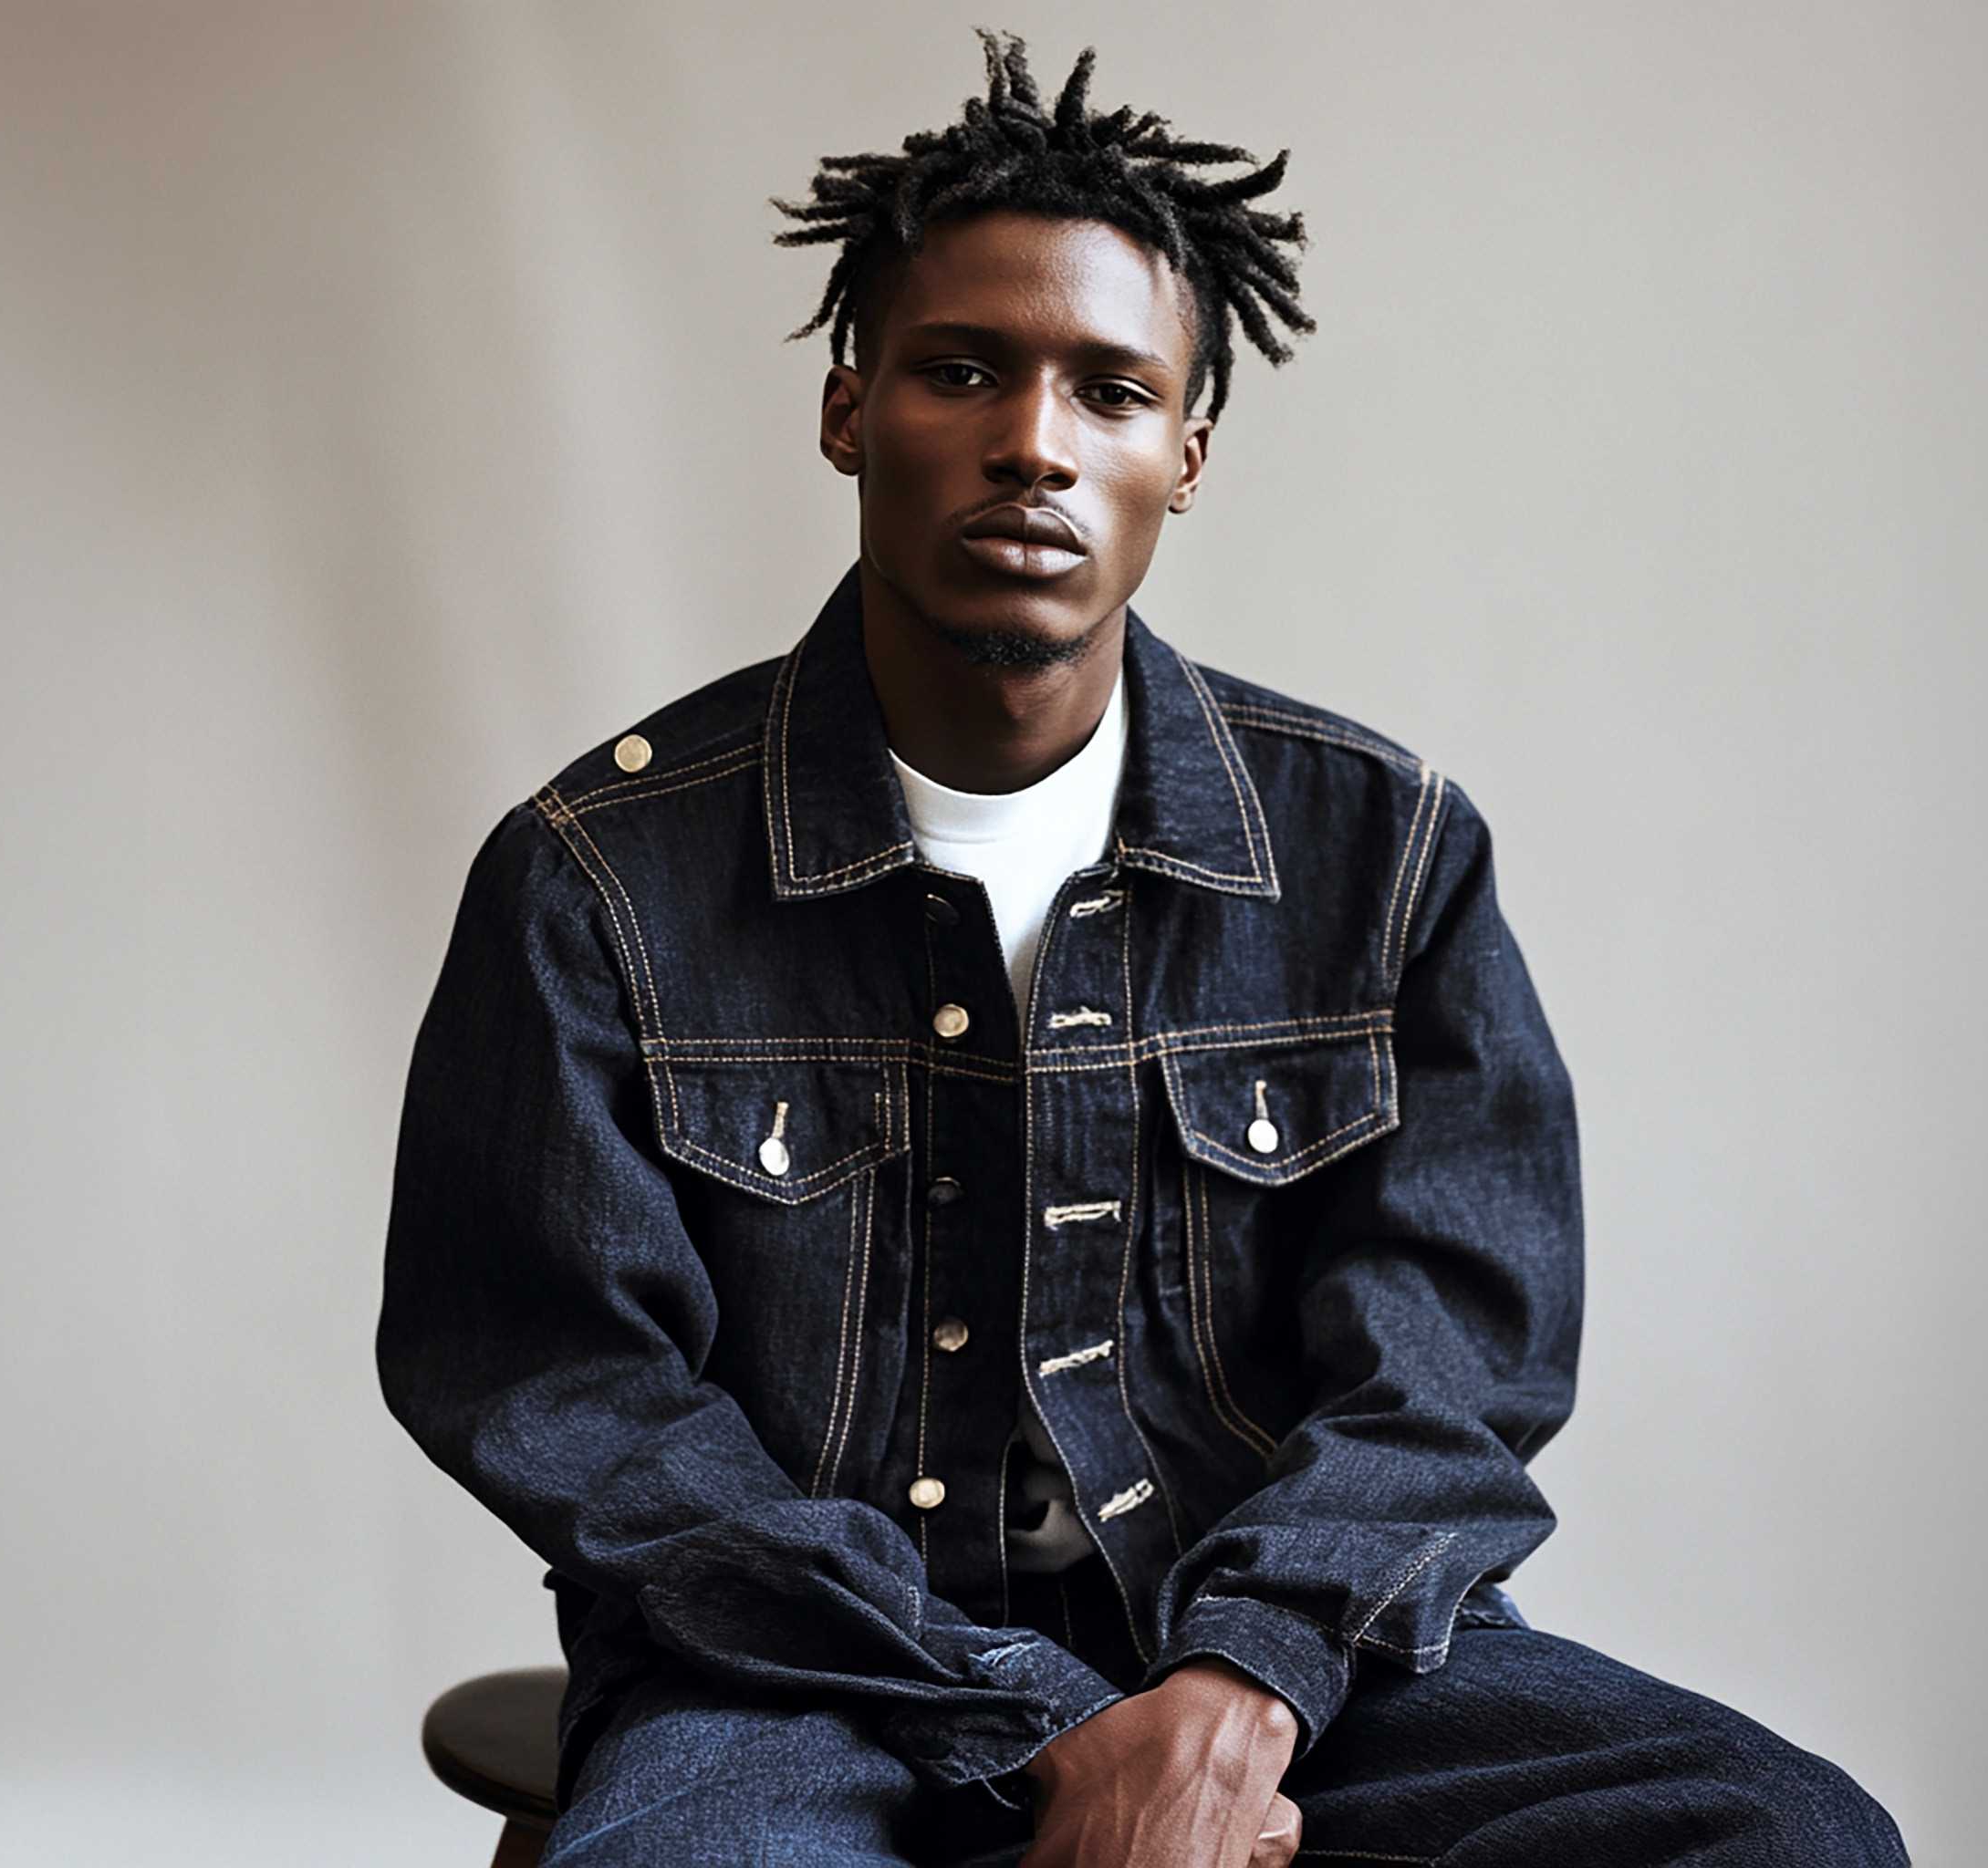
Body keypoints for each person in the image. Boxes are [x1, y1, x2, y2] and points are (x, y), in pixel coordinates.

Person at [378, 28, 1909, 1866]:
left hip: (1275, 1666)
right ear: (847, 412)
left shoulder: (1376, 852)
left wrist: (1239, 1689)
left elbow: (1450, 1365)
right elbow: (571, 1398)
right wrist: (1033, 1719)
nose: (1032, 443)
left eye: (1108, 392)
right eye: (961, 371)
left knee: (1784, 1836)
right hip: (794, 1679)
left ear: (1184, 455)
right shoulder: (598, 876)